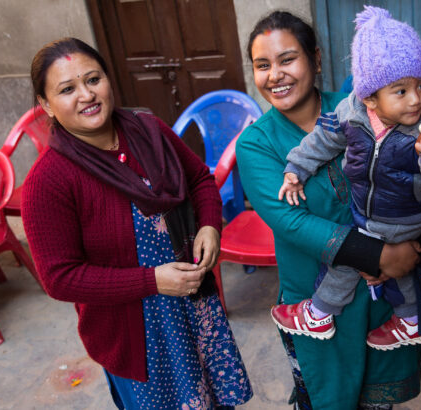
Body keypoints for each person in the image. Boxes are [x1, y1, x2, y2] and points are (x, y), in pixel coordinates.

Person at [20, 38, 252, 409]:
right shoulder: (49, 181)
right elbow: (59, 277)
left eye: (93, 79)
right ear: (46, 105)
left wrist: (209, 224)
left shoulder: (148, 129)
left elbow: (199, 180)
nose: (86, 95)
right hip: (138, 336)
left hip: (195, 306)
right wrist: (153, 281)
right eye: (67, 89)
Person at [237, 11, 421, 409]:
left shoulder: (363, 109)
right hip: (316, 302)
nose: (275, 75)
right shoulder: (256, 143)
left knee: (377, 402)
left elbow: (412, 174)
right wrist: (381, 255)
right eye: (262, 65)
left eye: (287, 59)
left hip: (382, 296)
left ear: (316, 60)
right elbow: (290, 221)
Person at [272, 6, 421, 351]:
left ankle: (320, 312)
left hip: (405, 214)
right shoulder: (352, 112)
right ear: (370, 98)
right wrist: (296, 169)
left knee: (348, 258)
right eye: (401, 91)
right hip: (366, 210)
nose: (416, 99)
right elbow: (323, 140)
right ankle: (411, 320)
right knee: (395, 267)